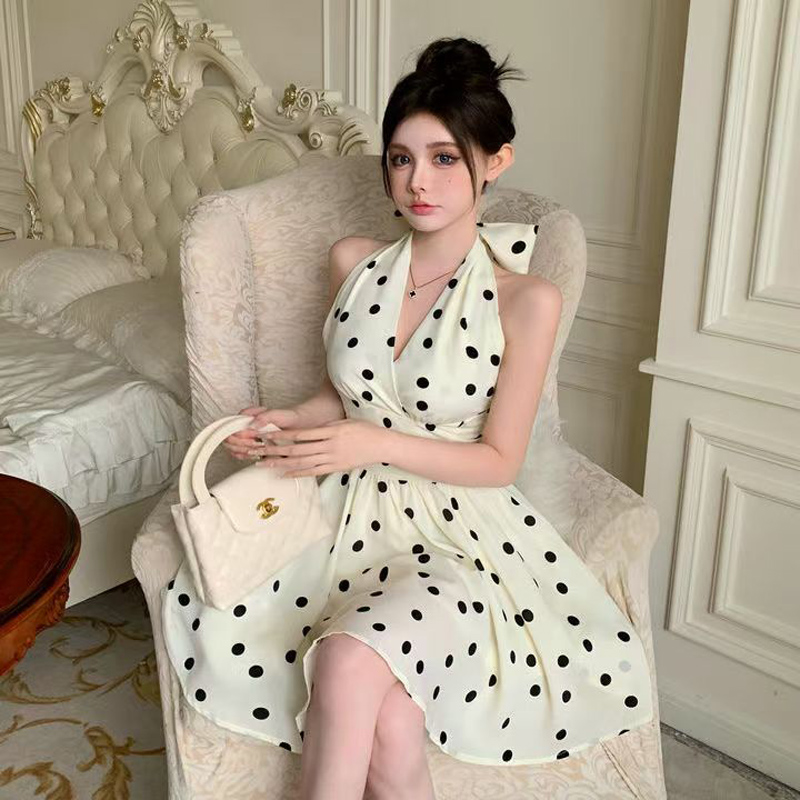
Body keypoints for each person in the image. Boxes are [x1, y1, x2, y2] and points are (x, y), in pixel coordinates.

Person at [161, 36, 653, 800]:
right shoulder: (353, 262)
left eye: (444, 158)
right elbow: (346, 394)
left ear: (496, 161)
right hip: (340, 519)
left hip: (460, 533)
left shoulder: (527, 300)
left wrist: (371, 443)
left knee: (345, 660)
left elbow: (500, 461)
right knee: (390, 721)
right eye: (400, 158)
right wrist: (290, 420)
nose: (418, 181)